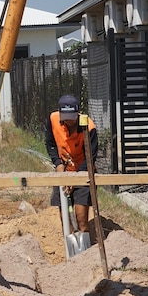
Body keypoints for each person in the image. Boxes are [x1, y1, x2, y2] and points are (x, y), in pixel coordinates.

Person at [44, 94, 98, 233]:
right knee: (65, 216)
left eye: (71, 118)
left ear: (78, 113)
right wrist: (59, 165)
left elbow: (90, 157)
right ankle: (71, 245)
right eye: (65, 118)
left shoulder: (89, 127)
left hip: (83, 171)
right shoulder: (53, 119)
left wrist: (75, 179)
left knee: (81, 218)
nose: (68, 121)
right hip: (64, 170)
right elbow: (50, 144)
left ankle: (85, 247)